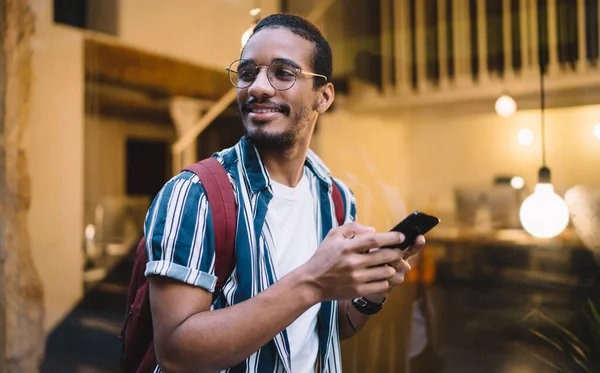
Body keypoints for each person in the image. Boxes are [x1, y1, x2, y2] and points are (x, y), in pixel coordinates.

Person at [144, 13, 426, 373]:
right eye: (247, 72)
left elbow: (323, 330)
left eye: (283, 73)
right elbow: (176, 352)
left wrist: (371, 293)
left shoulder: (336, 198)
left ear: (323, 97)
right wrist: (313, 281)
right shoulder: (194, 195)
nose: (258, 87)